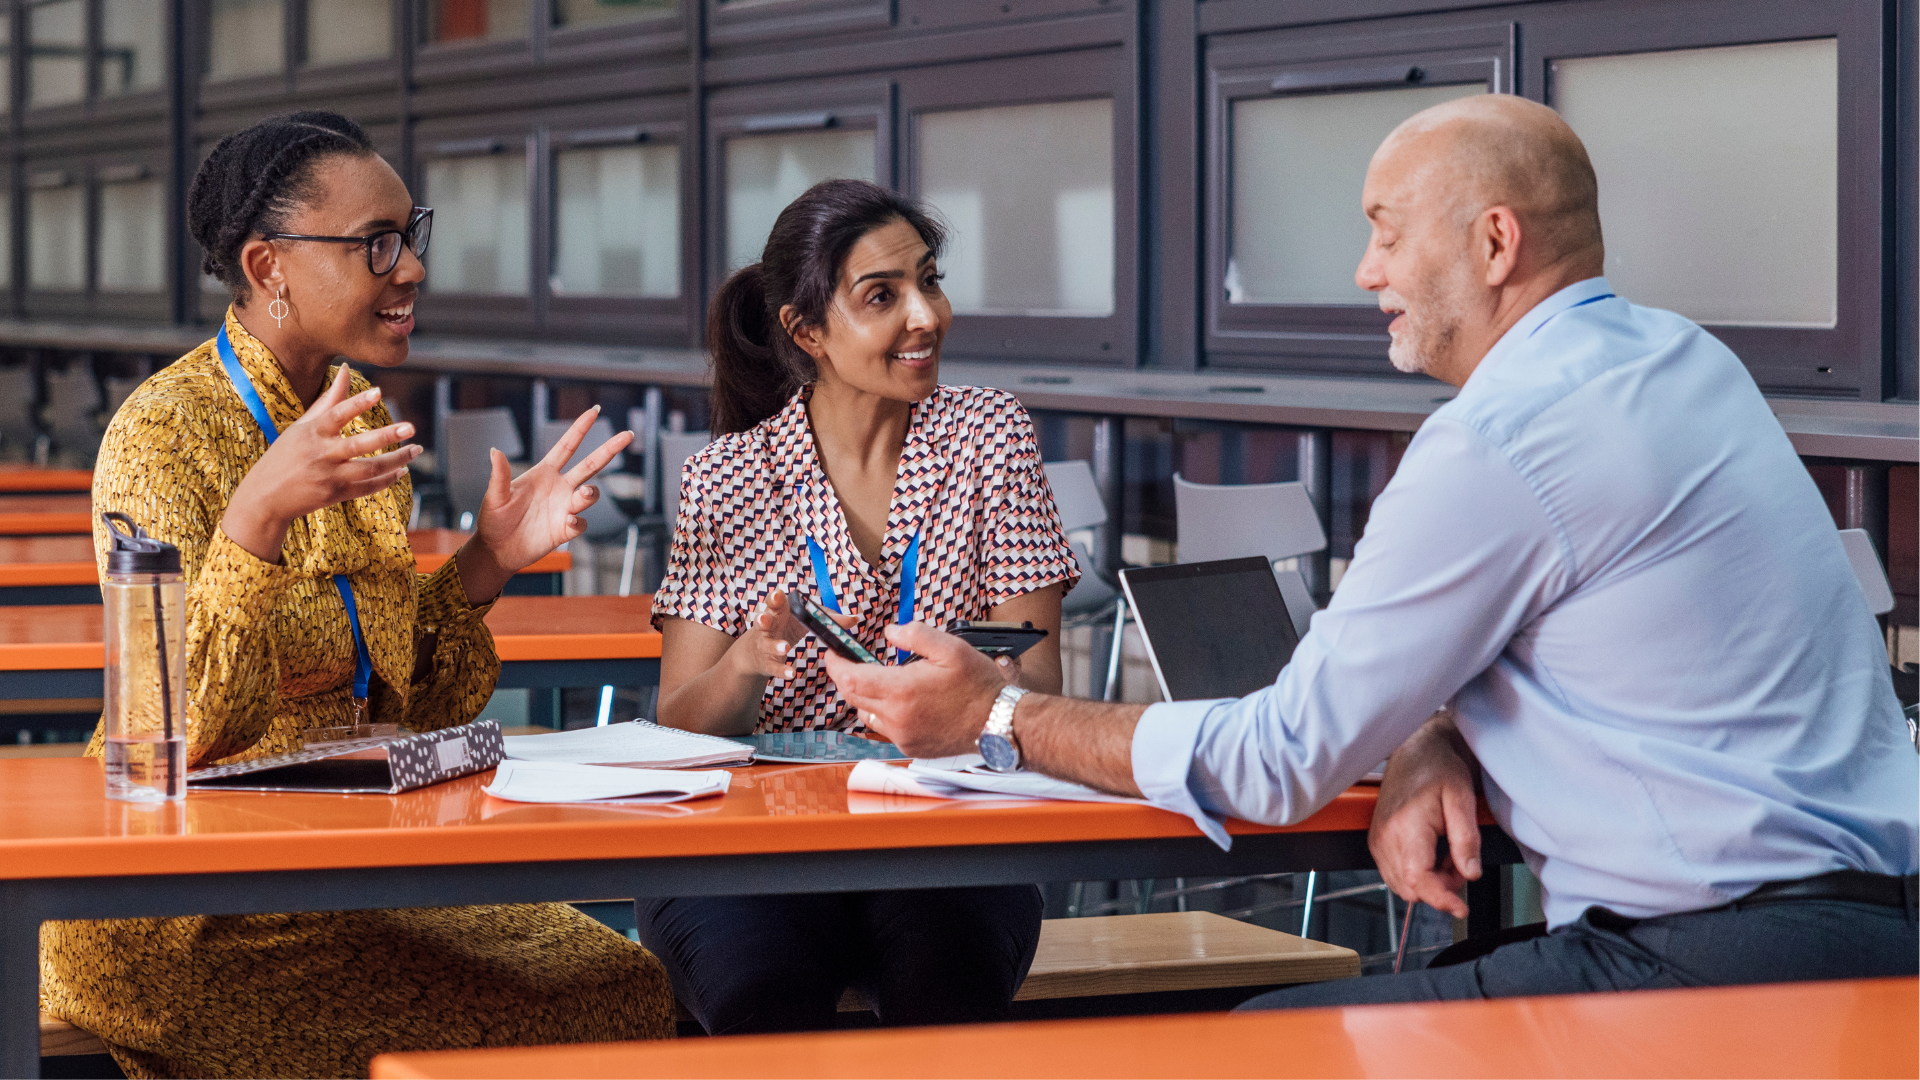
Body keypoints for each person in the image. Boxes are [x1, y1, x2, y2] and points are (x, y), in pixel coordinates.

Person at [819, 94, 1920, 1004]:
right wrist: (1435, 726)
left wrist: (994, 717)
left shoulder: (1501, 437)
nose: (1364, 269)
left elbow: (1279, 759)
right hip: (1871, 938)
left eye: (1388, 229)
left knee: (1246, 1038)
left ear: (1495, 243)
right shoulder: (1685, 360)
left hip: (1704, 972)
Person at [38, 111, 674, 1079]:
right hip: (184, 905)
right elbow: (170, 728)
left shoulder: (356, 424)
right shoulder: (159, 436)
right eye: (376, 244)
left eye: (409, 235)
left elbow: (402, 699)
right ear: (268, 268)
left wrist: (486, 563)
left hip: (346, 863)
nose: (410, 268)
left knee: (622, 981)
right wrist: (253, 521)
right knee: (586, 1007)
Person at [643, 178, 1078, 1033]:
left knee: (947, 1003)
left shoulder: (991, 436)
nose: (926, 315)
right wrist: (741, 669)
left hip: (942, 845)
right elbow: (677, 730)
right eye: (882, 295)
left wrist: (967, 705)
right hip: (748, 855)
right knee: (764, 1008)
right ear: (806, 331)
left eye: (931, 279)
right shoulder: (727, 478)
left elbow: (1039, 684)